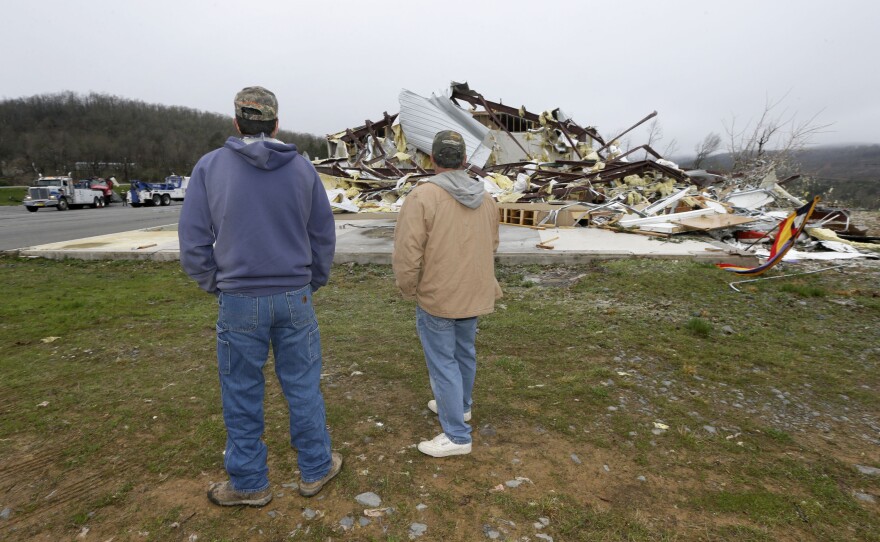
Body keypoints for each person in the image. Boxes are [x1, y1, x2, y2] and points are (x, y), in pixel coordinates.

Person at [178, 86, 342, 506]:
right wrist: (312, 280)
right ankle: (316, 468)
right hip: (294, 296)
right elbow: (322, 234)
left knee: (241, 390)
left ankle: (250, 484)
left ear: (236, 123)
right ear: (276, 124)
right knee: (303, 385)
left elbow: (194, 238)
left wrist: (215, 282)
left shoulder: (210, 167)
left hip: (239, 298)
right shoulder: (303, 169)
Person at [392, 130, 502, 458]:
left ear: (432, 159)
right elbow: (492, 245)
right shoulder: (486, 199)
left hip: (438, 295)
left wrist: (409, 287)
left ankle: (456, 435)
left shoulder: (423, 196)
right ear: (465, 160)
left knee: (443, 363)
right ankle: (461, 406)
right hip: (473, 292)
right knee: (464, 352)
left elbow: (407, 253)